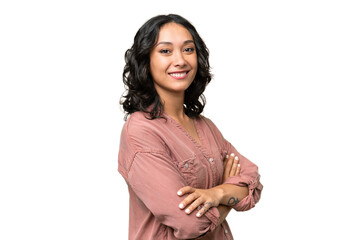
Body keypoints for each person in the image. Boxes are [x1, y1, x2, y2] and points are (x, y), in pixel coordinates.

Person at [118, 14, 263, 240]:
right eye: (165, 51)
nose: (180, 60)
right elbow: (191, 224)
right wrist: (227, 199)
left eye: (188, 49)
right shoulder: (141, 132)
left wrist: (217, 193)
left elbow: (253, 182)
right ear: (146, 60)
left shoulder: (206, 127)